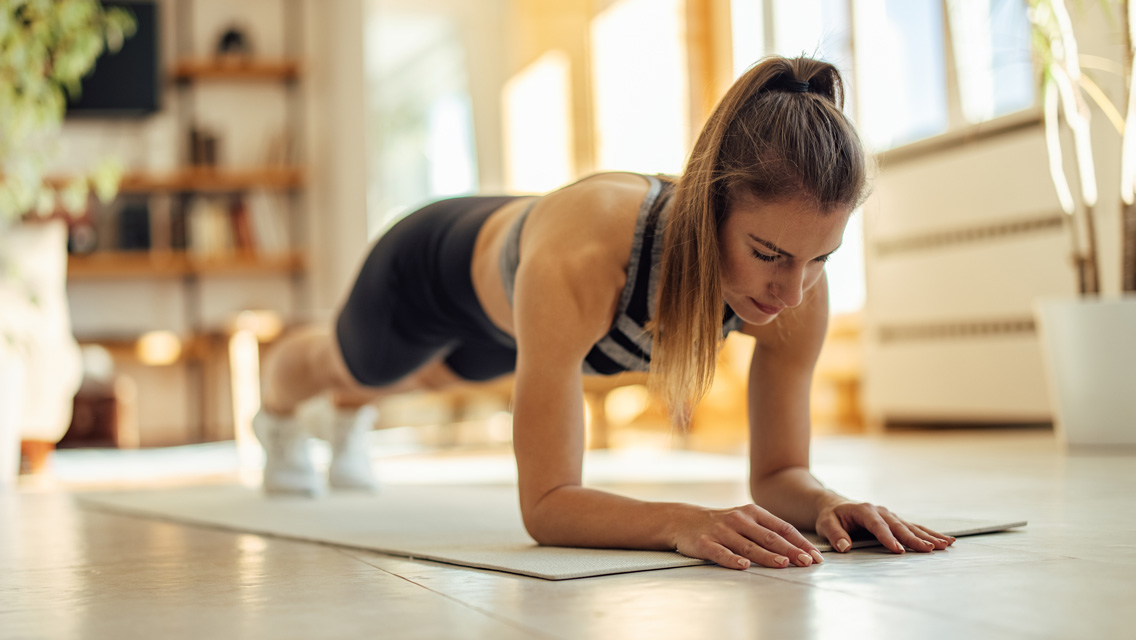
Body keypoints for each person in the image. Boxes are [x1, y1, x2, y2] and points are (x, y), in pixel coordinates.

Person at [251, 55, 956, 570]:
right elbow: (548, 504)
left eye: (822, 258)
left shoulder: (796, 280)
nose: (792, 292)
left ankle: (347, 416)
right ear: (708, 207)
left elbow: (778, 476)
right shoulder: (588, 255)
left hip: (515, 329)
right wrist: (682, 522)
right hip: (428, 273)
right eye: (768, 253)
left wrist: (826, 502)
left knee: (432, 379)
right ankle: (278, 416)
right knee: (357, 368)